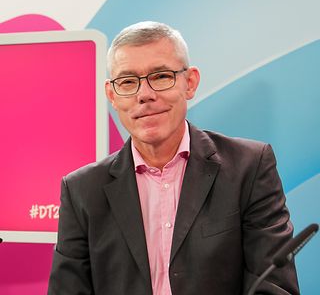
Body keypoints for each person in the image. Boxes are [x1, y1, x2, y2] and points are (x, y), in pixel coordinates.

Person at [48, 21, 299, 295]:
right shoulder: (82, 189)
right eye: (128, 82)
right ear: (112, 94)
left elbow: (275, 287)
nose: (145, 95)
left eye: (160, 77)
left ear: (189, 83)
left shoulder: (248, 167)